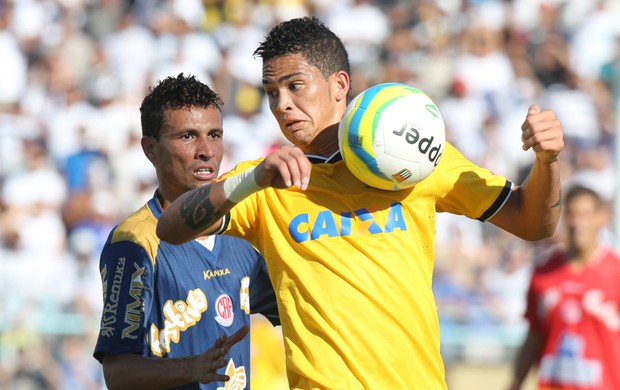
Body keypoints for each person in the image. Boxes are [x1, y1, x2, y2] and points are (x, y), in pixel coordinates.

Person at [157, 17, 564, 389]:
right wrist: (252, 179)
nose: (281, 104)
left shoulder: (411, 154)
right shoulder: (265, 180)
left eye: (295, 86)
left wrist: (547, 162)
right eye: (271, 92)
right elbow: (170, 227)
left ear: (339, 84)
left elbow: (534, 224)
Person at [92, 73, 280, 390]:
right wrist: (192, 368)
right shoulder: (134, 242)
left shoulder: (242, 230)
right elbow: (117, 373)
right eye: (188, 136)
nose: (206, 150)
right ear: (150, 149)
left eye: (215, 134)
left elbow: (295, 302)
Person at [509, 185, 620, 390]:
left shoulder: (616, 274)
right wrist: (515, 383)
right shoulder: (543, 274)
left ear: (602, 217)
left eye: (586, 215)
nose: (578, 223)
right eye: (571, 214)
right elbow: (533, 337)